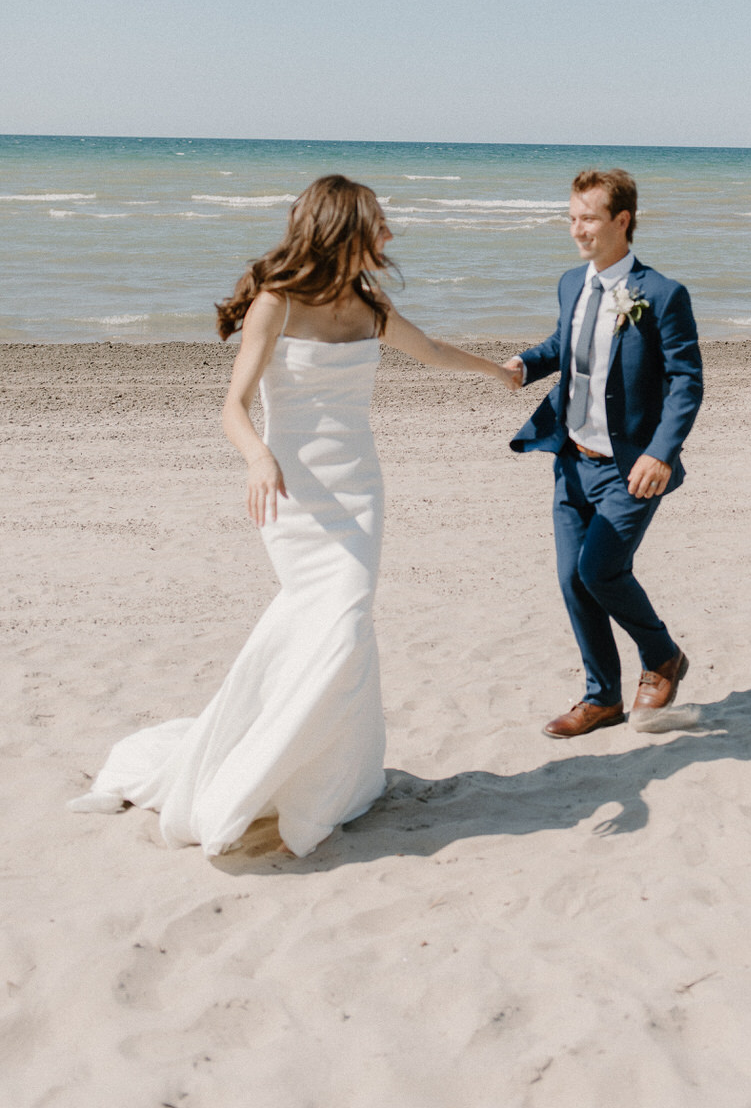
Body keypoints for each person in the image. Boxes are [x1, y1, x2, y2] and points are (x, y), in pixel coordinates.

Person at [68, 175, 519, 858]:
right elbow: (232, 406)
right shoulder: (275, 304)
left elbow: (430, 352)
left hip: (359, 489)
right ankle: (250, 770)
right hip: (293, 492)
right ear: (345, 230)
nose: (391, 237)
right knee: (331, 620)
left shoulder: (370, 306)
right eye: (380, 224)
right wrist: (255, 458)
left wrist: (499, 372)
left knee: (345, 625)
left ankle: (327, 781)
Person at [507, 168, 703, 738]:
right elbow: (565, 345)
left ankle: (661, 655)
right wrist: (525, 363)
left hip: (631, 468)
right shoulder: (572, 283)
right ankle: (602, 699)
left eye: (588, 218)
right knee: (573, 579)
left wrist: (662, 452)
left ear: (622, 220)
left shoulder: (662, 295)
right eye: (571, 218)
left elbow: (687, 382)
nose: (577, 230)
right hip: (570, 459)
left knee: (600, 569)